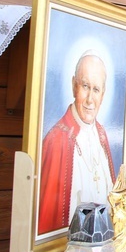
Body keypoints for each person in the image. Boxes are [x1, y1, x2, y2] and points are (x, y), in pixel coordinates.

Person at [38, 51, 115, 235]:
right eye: (85, 86)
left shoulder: (102, 135)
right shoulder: (57, 139)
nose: (90, 99)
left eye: (96, 90)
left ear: (102, 95)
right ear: (74, 86)